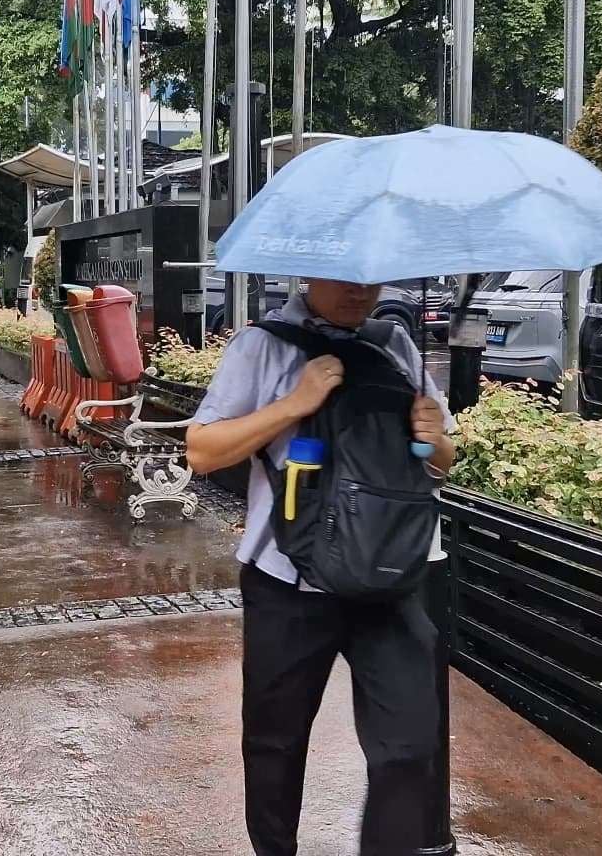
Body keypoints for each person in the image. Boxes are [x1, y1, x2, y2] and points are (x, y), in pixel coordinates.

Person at [185, 279, 457, 856]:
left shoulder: (395, 345)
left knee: (409, 746)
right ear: (309, 271)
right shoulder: (263, 345)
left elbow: (443, 461)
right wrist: (295, 404)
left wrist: (435, 440)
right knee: (276, 745)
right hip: (288, 579)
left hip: (390, 576)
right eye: (346, 278)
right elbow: (203, 451)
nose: (360, 291)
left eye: (370, 280)